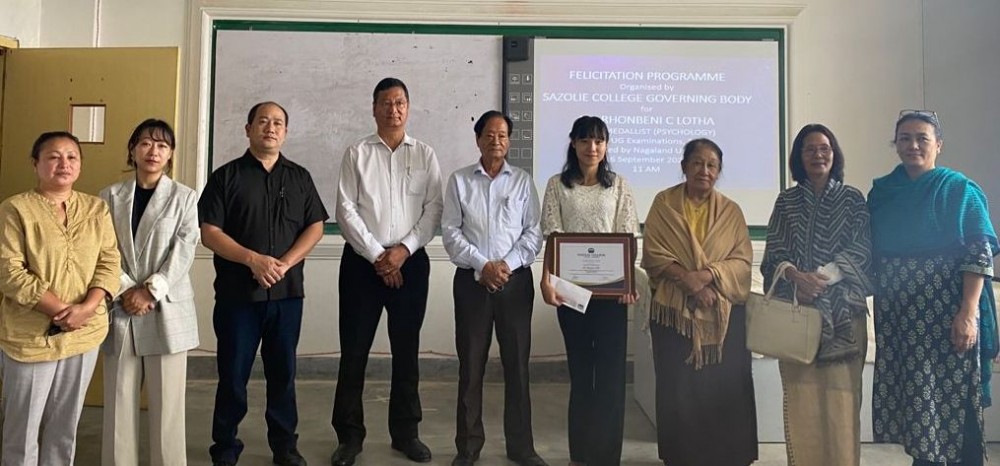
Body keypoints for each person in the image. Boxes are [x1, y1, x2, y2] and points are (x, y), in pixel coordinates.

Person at [199, 101, 328, 466]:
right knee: (233, 377)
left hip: (286, 296)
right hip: (238, 297)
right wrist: (252, 260)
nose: (270, 128)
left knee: (283, 375)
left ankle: (285, 447)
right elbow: (210, 232)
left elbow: (315, 226)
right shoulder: (226, 177)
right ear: (248, 128)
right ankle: (225, 448)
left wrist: (284, 263)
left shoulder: (300, 177)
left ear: (285, 132)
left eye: (278, 123)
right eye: (263, 121)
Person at [869, 110, 998, 466]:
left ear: (938, 145)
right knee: (917, 407)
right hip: (900, 322)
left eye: (922, 138)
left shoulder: (959, 189)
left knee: (956, 406)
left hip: (947, 316)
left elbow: (978, 253)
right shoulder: (883, 193)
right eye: (905, 138)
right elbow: (870, 251)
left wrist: (968, 313)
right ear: (895, 145)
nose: (913, 145)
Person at [332, 77, 443, 466]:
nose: (392, 110)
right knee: (355, 352)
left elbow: (433, 211)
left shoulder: (425, 155)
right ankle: (349, 437)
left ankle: (406, 433)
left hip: (411, 264)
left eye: (399, 103)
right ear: (374, 108)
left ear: (408, 108)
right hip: (362, 266)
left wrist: (402, 252)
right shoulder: (356, 153)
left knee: (407, 352)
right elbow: (345, 210)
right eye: (385, 103)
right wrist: (380, 256)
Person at [0, 131, 121, 465]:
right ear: (36, 164)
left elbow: (110, 262)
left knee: (64, 427)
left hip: (85, 334)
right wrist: (61, 310)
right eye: (53, 157)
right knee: (21, 429)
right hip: (29, 337)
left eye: (72, 157)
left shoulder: (97, 208)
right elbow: (9, 272)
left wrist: (88, 308)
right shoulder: (15, 209)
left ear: (80, 165)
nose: (63, 164)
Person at [760, 124, 873, 466]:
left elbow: (864, 249)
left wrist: (820, 279)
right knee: (802, 402)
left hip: (843, 319)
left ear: (834, 154)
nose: (818, 154)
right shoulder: (787, 201)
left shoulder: (852, 200)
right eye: (809, 149)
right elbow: (774, 253)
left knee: (841, 405)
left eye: (824, 148)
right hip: (799, 315)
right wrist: (796, 278)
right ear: (798, 157)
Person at [639, 138, 757, 466]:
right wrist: (685, 280)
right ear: (684, 167)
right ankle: (681, 456)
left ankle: (728, 455)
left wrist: (706, 277)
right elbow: (653, 253)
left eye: (711, 165)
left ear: (718, 172)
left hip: (722, 313)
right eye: (697, 163)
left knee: (724, 387)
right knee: (679, 388)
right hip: (674, 311)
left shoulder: (731, 211)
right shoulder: (664, 204)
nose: (704, 171)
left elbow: (742, 262)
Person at [441, 111, 546, 466]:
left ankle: (522, 448)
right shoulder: (459, 181)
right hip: (472, 283)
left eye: (502, 135)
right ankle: (468, 448)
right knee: (471, 366)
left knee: (517, 365)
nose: (495, 141)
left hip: (515, 284)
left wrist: (506, 266)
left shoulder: (521, 182)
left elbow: (534, 232)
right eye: (489, 134)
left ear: (509, 141)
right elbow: (451, 232)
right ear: (477, 139)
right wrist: (482, 265)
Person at [98, 119, 200, 466]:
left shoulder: (184, 197)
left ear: (170, 154)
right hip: (121, 305)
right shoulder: (109, 196)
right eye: (145, 143)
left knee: (168, 408)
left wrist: (150, 291)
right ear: (132, 150)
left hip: (166, 307)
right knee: (118, 402)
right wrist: (128, 290)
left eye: (162, 145)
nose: (153, 151)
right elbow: (102, 250)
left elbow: (184, 250)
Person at [538, 115, 639, 466]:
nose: (591, 148)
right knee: (582, 376)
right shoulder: (557, 185)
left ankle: (607, 456)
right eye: (584, 140)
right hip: (572, 295)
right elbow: (552, 235)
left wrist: (627, 284)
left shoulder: (620, 186)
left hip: (612, 299)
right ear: (573, 143)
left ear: (606, 145)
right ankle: (580, 455)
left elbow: (628, 238)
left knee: (611, 378)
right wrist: (546, 280)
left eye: (598, 141)